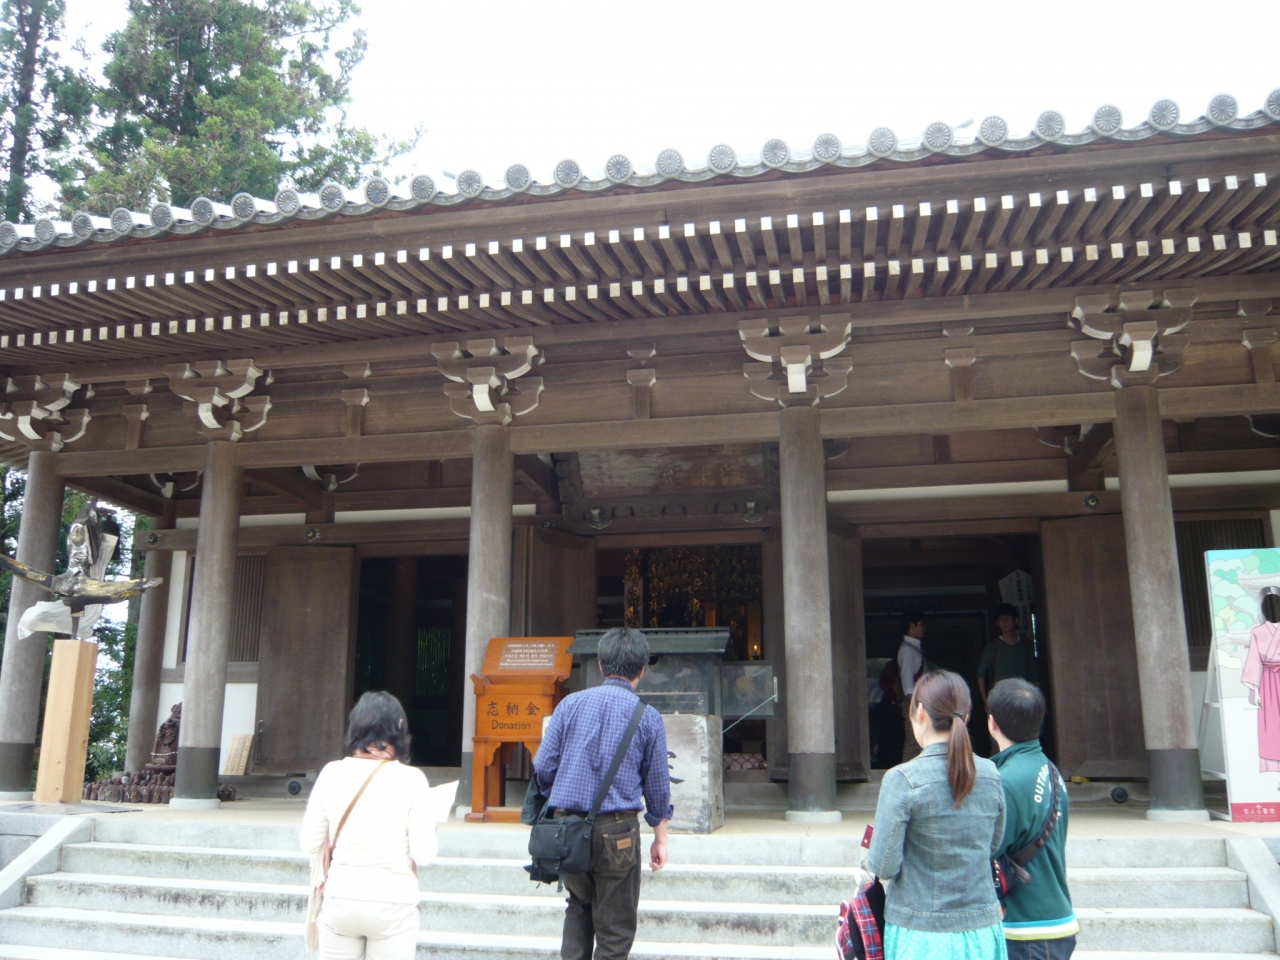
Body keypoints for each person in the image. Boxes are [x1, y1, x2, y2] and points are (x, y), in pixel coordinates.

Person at [534, 626, 673, 960]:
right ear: (642, 670)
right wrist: (660, 839)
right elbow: (657, 787)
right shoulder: (648, 717)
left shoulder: (569, 705)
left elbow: (543, 766)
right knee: (616, 928)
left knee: (578, 906)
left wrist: (560, 799)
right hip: (618, 832)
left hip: (568, 829)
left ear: (600, 665)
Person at [866, 669, 1006, 960]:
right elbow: (992, 846)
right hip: (982, 929)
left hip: (920, 934)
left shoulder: (902, 779)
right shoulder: (991, 773)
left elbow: (883, 866)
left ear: (919, 712)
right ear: (967, 716)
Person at [301, 691, 436, 960]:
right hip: (393, 904)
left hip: (340, 899)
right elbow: (424, 854)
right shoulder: (413, 780)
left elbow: (308, 843)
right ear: (400, 727)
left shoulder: (331, 773)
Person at [988, 679, 1078, 959]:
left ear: (992, 723)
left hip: (1026, 929)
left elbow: (986, 850)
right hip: (1055, 920)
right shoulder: (1050, 769)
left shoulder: (1005, 782)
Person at [978, 604, 1039, 706]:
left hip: (1023, 696)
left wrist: (1038, 700)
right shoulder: (993, 646)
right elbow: (980, 675)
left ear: (1016, 620)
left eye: (1008, 619)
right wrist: (986, 702)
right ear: (997, 623)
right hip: (1001, 697)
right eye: (1002, 619)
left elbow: (1035, 676)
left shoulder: (1026, 644)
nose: (1005, 622)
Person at [896, 611, 926, 762]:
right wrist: (914, 705)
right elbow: (908, 684)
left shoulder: (913, 647)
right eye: (921, 624)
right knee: (913, 743)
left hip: (918, 701)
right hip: (913, 702)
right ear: (912, 626)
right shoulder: (907, 649)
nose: (924, 628)